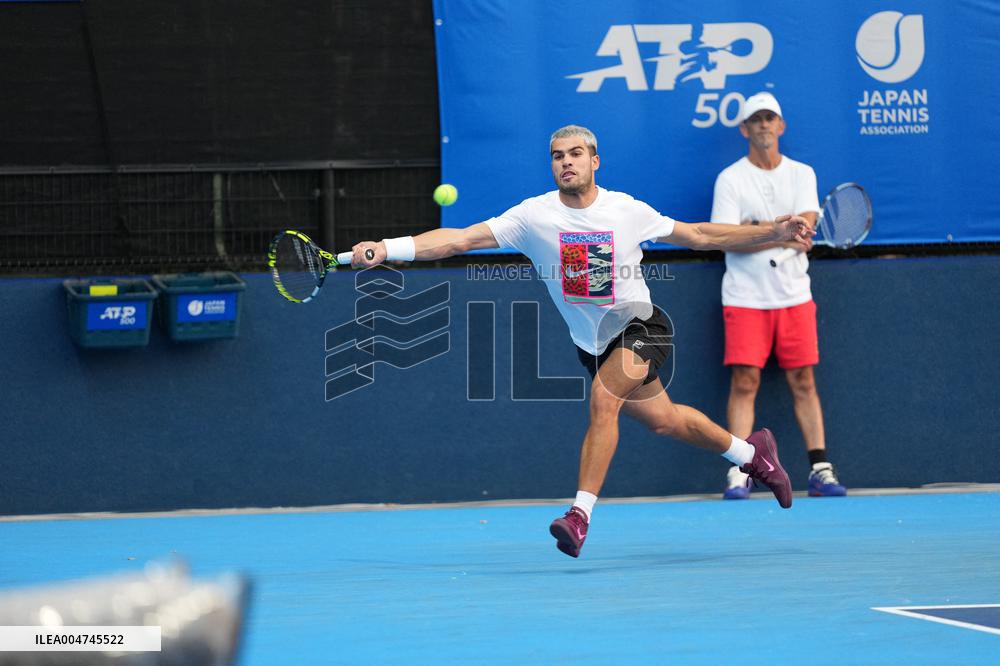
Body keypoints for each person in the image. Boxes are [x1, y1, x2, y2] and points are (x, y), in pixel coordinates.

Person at [350, 125, 814, 558]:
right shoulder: (533, 216)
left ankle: (579, 514)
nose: (566, 162)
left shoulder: (625, 210)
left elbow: (698, 235)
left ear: (595, 161)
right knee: (665, 420)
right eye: (557, 156)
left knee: (604, 398)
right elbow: (460, 239)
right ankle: (752, 453)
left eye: (575, 154)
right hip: (592, 345)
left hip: (641, 326)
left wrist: (772, 231)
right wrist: (389, 248)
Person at [710, 92, 847, 501]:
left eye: (770, 118)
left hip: (794, 296)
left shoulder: (802, 174)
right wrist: (781, 233)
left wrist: (755, 229)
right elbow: (724, 237)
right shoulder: (730, 179)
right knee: (745, 381)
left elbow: (805, 225)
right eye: (756, 119)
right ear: (744, 129)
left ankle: (820, 469)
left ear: (781, 126)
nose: (764, 125)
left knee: (804, 380)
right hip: (745, 297)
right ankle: (740, 472)